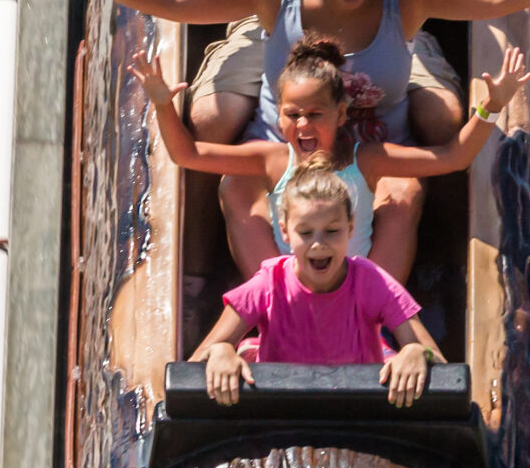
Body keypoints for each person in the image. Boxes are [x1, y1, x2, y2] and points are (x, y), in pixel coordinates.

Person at [47, 0, 530, 282]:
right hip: (292, 151)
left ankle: (379, 311)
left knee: (406, 190)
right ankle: (272, 300)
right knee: (235, 187)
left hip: (369, 149)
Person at [127, 34, 530, 274]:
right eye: (292, 115)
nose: (303, 125)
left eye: (315, 114)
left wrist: (490, 107)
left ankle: (387, 323)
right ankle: (261, 314)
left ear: (341, 114)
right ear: (278, 114)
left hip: (356, 298)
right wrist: (163, 104)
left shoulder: (367, 160)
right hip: (288, 296)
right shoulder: (271, 160)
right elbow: (187, 154)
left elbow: (452, 158)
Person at [188, 158, 446, 408]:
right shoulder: (268, 284)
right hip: (279, 405)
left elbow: (436, 359)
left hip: (357, 403)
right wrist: (221, 352)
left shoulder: (372, 281)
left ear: (351, 227)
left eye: (332, 231)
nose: (319, 244)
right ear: (286, 231)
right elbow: (199, 358)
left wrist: (415, 353)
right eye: (306, 232)